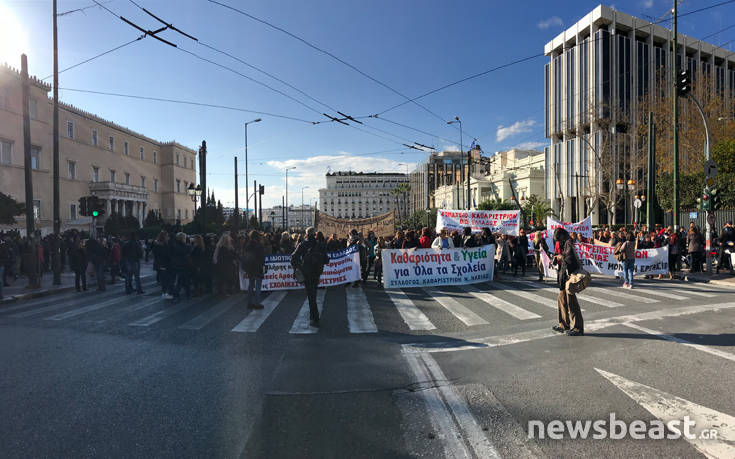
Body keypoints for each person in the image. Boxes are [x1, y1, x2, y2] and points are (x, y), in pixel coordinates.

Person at [292, 227, 330, 327]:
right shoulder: (320, 245)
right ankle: (314, 316)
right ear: (314, 234)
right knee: (313, 293)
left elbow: (294, 257)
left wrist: (297, 267)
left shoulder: (303, 244)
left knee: (311, 295)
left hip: (307, 272)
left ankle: (314, 317)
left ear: (306, 234)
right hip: (317, 272)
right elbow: (327, 260)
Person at [552, 228, 584, 336]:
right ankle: (563, 324)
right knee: (562, 301)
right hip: (563, 277)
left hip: (569, 277)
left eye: (558, 238)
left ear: (561, 235)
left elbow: (570, 260)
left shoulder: (569, 242)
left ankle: (578, 327)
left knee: (572, 303)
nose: (557, 241)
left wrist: (561, 257)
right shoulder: (565, 243)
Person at [242, 231, 265, 309]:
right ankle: (257, 303)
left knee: (251, 286)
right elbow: (262, 258)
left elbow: (245, 257)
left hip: (250, 268)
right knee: (258, 287)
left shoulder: (247, 245)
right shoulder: (259, 246)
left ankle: (249, 303)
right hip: (258, 268)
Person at [170, 232, 192, 300]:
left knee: (179, 281)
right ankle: (187, 294)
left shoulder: (174, 245)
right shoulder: (186, 246)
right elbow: (188, 252)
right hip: (184, 265)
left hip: (176, 265)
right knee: (185, 281)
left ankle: (177, 294)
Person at [152, 231, 173, 299]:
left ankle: (166, 293)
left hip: (163, 264)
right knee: (165, 280)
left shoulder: (159, 245)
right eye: (167, 236)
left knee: (166, 280)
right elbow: (165, 255)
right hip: (163, 265)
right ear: (164, 237)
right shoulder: (161, 246)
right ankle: (165, 293)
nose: (168, 237)